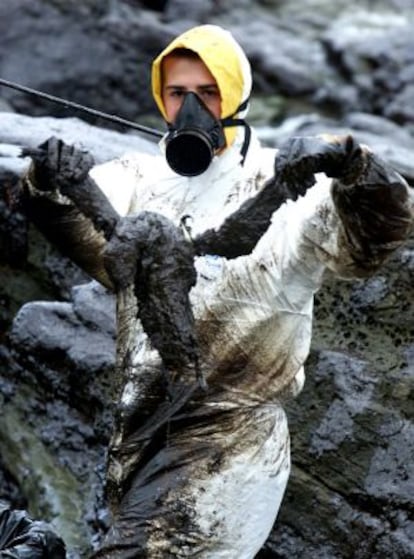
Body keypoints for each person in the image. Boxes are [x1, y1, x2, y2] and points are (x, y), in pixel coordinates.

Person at [20, 24, 414, 559]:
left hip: (233, 445)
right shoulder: (138, 176)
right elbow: (84, 235)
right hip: (141, 435)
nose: (192, 109)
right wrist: (47, 179)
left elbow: (378, 238)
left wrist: (351, 161)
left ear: (237, 95)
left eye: (208, 94)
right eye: (178, 94)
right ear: (160, 98)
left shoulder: (291, 185)